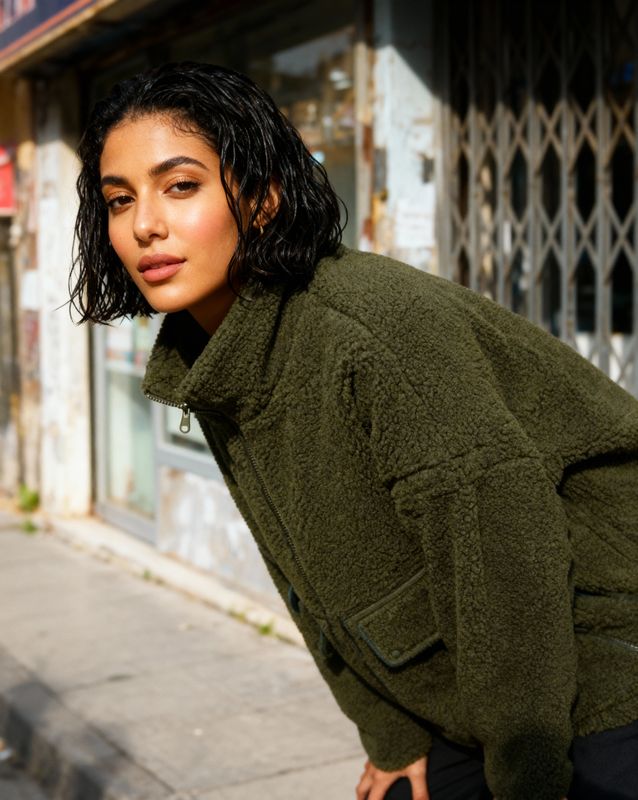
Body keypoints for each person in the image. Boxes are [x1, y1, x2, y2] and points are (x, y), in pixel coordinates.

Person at [70, 62, 638, 800]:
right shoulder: (211, 352)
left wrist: (524, 773)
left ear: (264, 197)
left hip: (595, 661)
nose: (145, 224)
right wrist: (390, 734)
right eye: (121, 200)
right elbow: (302, 569)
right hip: (471, 682)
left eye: (181, 186)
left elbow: (501, 540)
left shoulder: (370, 327)